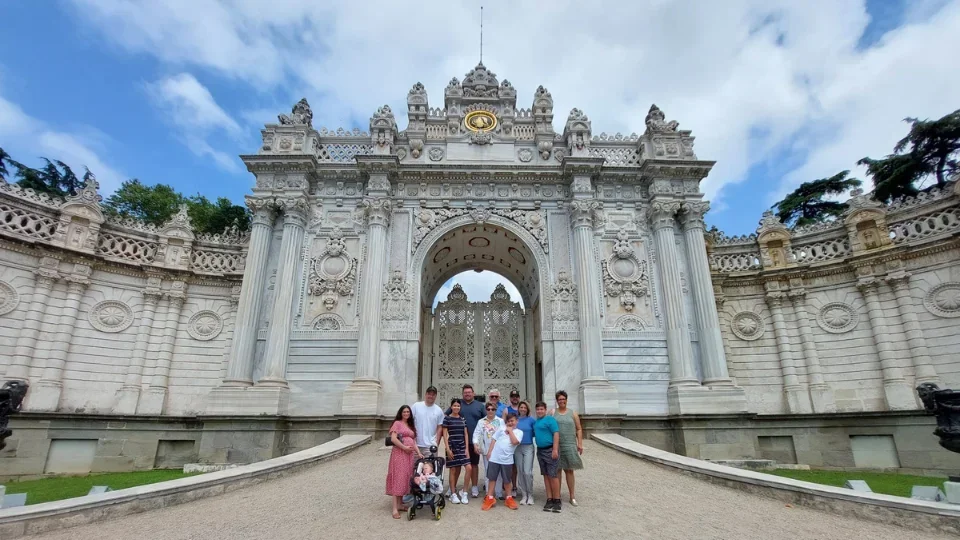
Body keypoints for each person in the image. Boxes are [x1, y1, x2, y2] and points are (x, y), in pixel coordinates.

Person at [446, 384, 485, 498]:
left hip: (474, 440)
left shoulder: (479, 406)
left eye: (469, 392)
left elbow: (485, 420)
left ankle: (474, 487)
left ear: (473, 393)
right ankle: (452, 487)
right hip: (458, 441)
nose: (467, 394)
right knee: (456, 466)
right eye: (465, 392)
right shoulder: (458, 404)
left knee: (473, 465)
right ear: (463, 394)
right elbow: (446, 415)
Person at [386, 405, 422, 519]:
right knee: (398, 477)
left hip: (409, 456)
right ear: (401, 413)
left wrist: (419, 452)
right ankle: (394, 509)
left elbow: (413, 441)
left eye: (408, 412)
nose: (406, 413)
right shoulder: (397, 423)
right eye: (404, 412)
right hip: (400, 454)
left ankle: (400, 504)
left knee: (406, 477)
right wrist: (404, 448)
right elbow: (393, 439)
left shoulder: (410, 425)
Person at [481, 413, 523, 511]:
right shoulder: (500, 429)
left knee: (507, 480)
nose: (510, 423)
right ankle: (490, 497)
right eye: (508, 421)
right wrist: (489, 452)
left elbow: (515, 442)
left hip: (507, 459)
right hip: (494, 458)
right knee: (492, 478)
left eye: (512, 421)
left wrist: (510, 431)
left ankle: (509, 498)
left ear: (517, 421)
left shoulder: (519, 432)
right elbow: (494, 440)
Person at [553, 390, 583, 506]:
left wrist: (579, 443)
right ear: (557, 401)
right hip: (557, 444)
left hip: (569, 444)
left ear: (566, 400)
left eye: (563, 399)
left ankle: (572, 496)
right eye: (559, 399)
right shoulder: (552, 412)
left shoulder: (573, 413)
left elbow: (579, 428)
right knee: (557, 470)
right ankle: (557, 495)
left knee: (569, 470)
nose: (561, 401)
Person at [442, 398, 473, 505]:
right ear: (451, 407)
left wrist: (467, 449)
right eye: (454, 406)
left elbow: (466, 434)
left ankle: (464, 492)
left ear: (460, 407)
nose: (456, 407)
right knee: (453, 470)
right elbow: (445, 435)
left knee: (469, 468)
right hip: (452, 446)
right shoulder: (447, 419)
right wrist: (447, 449)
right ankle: (453, 494)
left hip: (462, 446)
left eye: (458, 406)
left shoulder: (462, 419)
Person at [534, 401, 561, 513]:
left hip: (550, 449)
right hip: (540, 450)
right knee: (545, 475)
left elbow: (556, 433)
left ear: (545, 410)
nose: (540, 411)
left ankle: (557, 499)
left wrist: (555, 449)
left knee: (553, 475)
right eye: (538, 409)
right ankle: (549, 498)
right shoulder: (536, 422)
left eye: (541, 409)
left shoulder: (550, 420)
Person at [473, 401, 504, 498]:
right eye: (488, 409)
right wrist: (475, 444)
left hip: (498, 450)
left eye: (493, 409)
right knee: (488, 471)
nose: (490, 411)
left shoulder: (500, 421)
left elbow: (504, 434)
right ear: (486, 410)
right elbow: (476, 434)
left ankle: (498, 493)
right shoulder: (481, 421)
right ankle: (488, 493)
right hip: (486, 450)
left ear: (496, 410)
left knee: (498, 473)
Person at [514, 401, 537, 505]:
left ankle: (530, 494)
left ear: (527, 409)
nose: (523, 409)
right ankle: (524, 495)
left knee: (527, 471)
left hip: (528, 447)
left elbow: (536, 432)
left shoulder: (532, 420)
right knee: (520, 471)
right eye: (521, 407)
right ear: (518, 408)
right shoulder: (516, 420)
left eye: (524, 407)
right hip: (517, 448)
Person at [411, 386, 444, 455]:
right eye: (429, 394)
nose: (431, 396)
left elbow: (440, 427)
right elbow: (409, 422)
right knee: (414, 465)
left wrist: (436, 443)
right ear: (425, 394)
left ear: (436, 396)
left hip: (430, 446)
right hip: (415, 445)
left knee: (429, 465)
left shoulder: (439, 410)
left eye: (433, 395)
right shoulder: (416, 406)